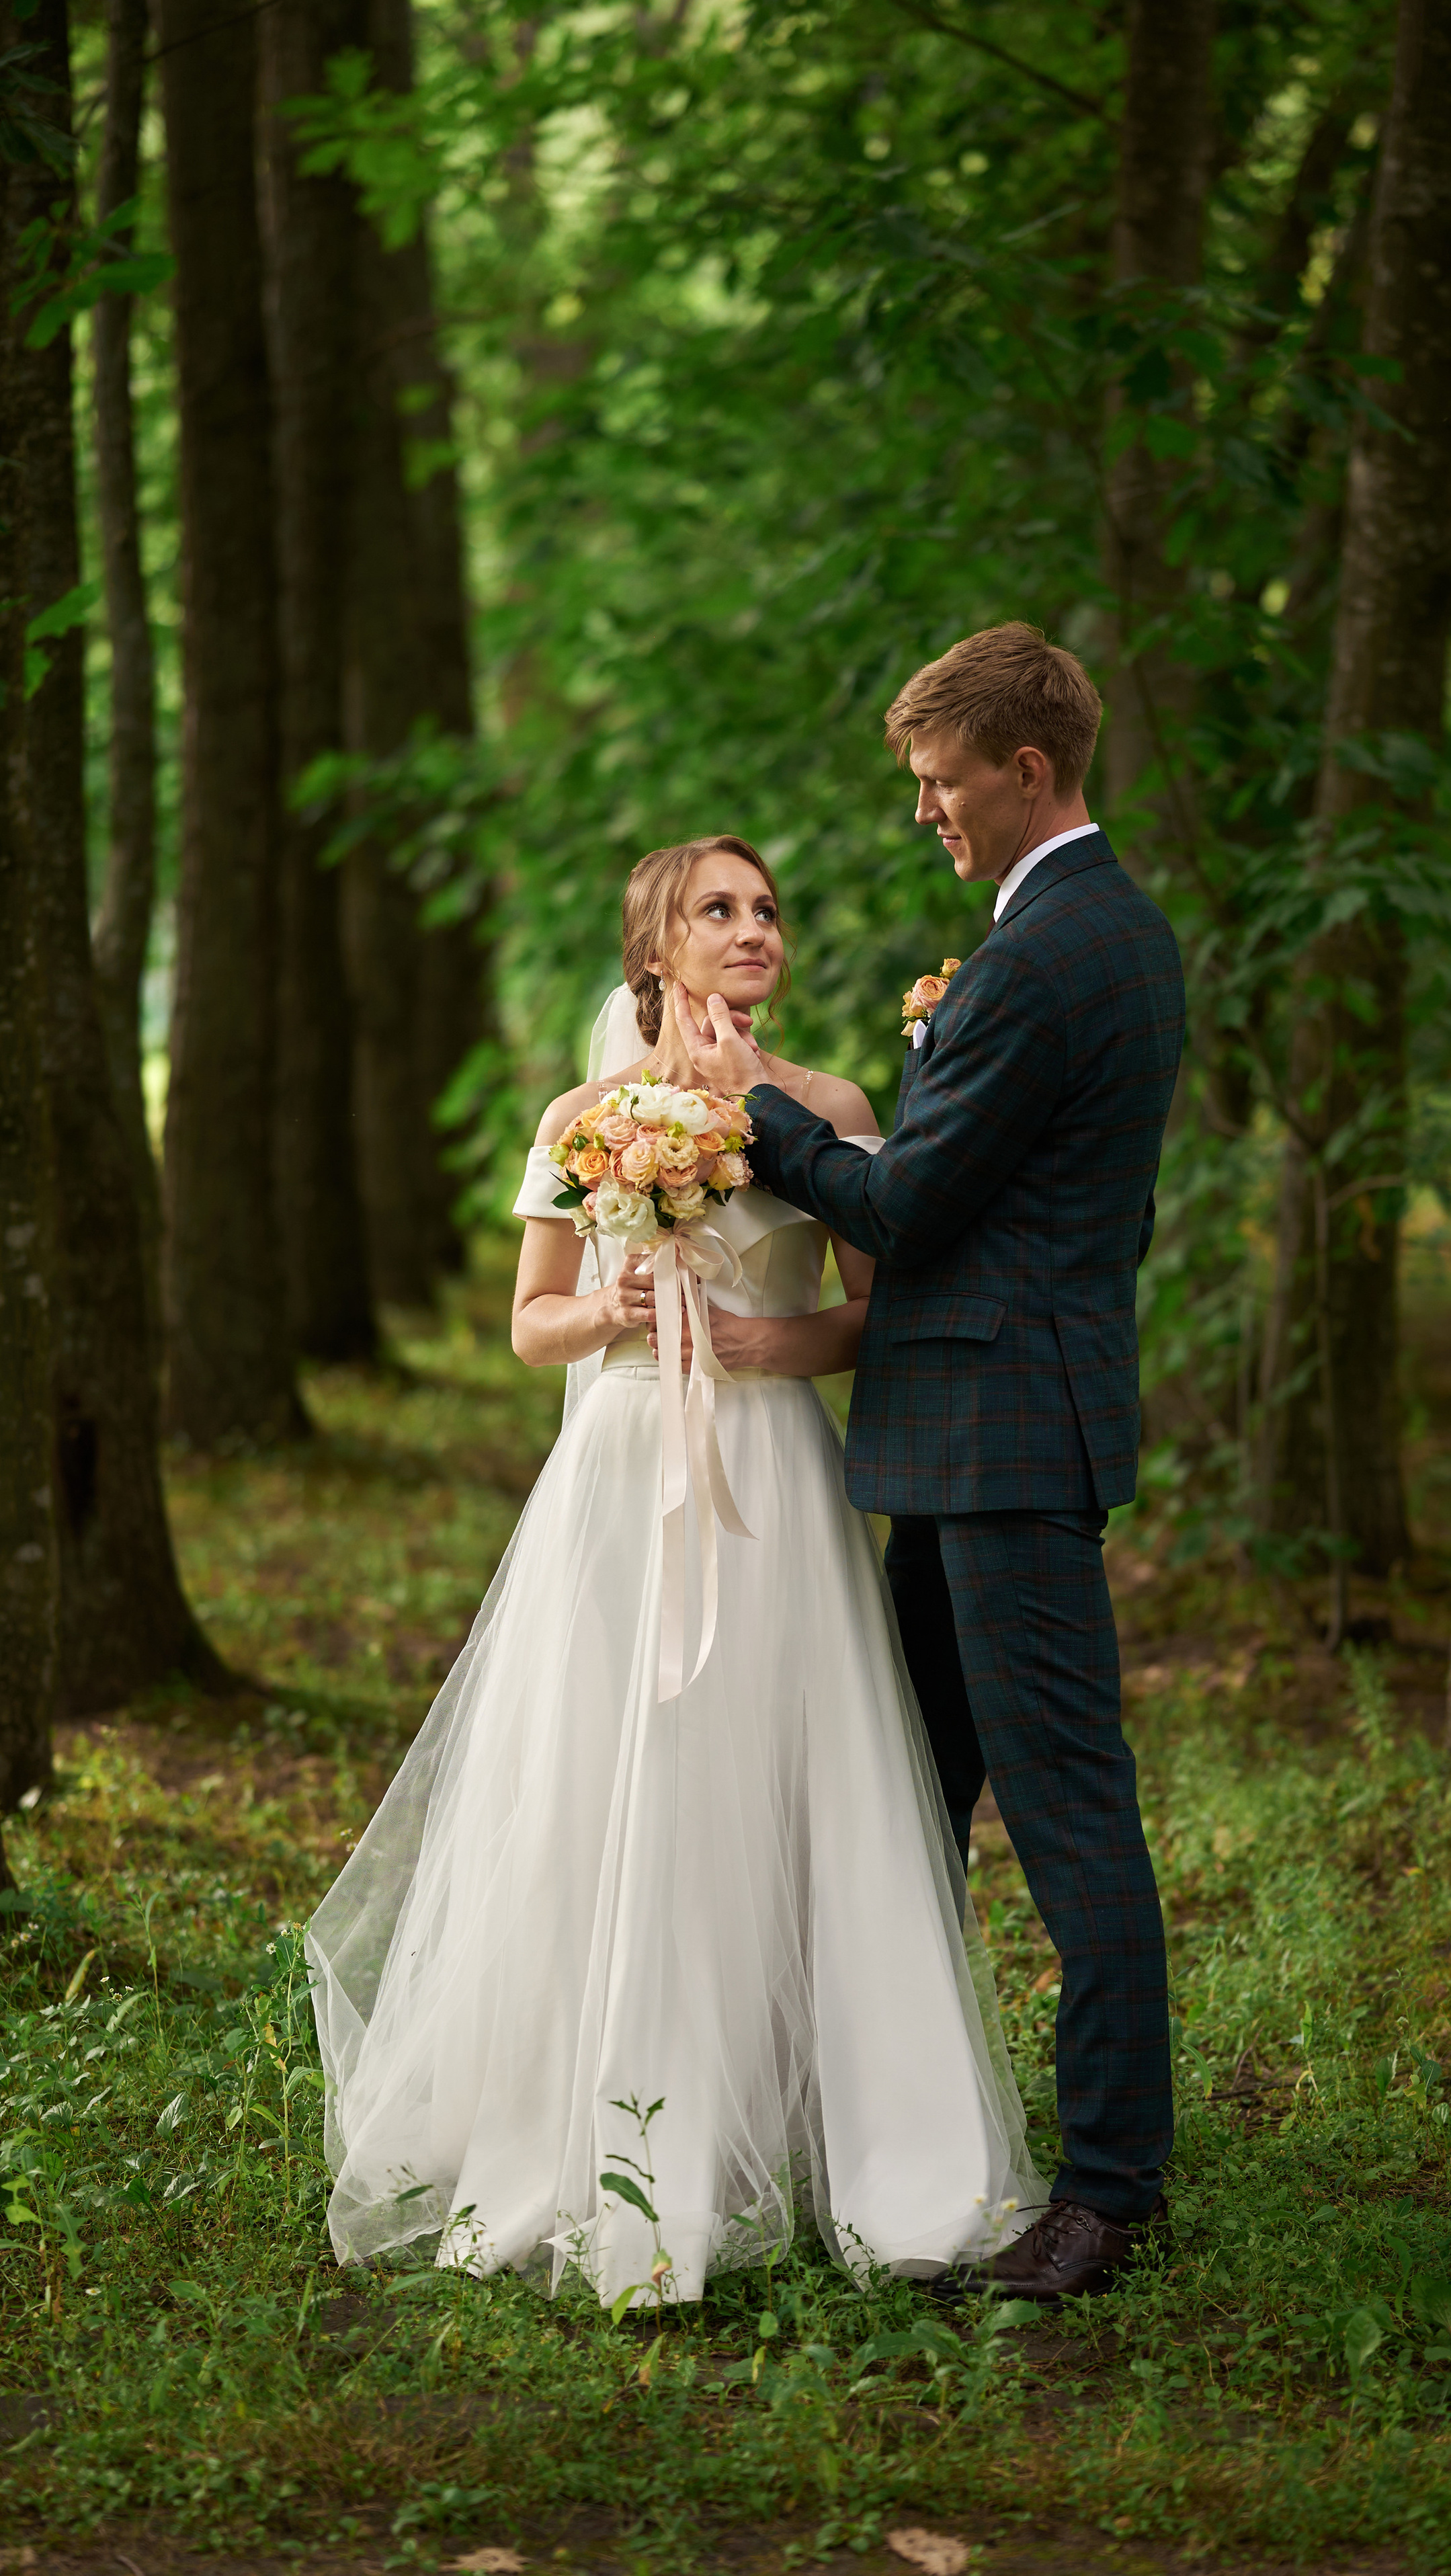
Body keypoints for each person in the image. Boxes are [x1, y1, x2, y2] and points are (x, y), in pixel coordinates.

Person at [306, 832, 1041, 2304]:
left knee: (787, 1779)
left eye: (767, 907)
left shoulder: (824, 1107)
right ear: (657, 948)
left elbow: (876, 1315)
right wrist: (613, 1302)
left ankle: (831, 2126)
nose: (754, 929)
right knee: (611, 1780)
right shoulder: (586, 1116)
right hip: (623, 1478)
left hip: (771, 1474)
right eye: (720, 910)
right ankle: (622, 2136)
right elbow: (529, 1326)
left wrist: (777, 1344)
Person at [677, 625, 1186, 2303]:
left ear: (1024, 771)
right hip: (966, 1436)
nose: (924, 812)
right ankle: (894, 2133)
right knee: (899, 1806)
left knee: (1066, 1822)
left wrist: (765, 1117)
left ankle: (1107, 2192)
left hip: (1005, 1441)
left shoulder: (1050, 956)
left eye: (941, 782)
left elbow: (903, 1209)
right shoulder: (1081, 934)